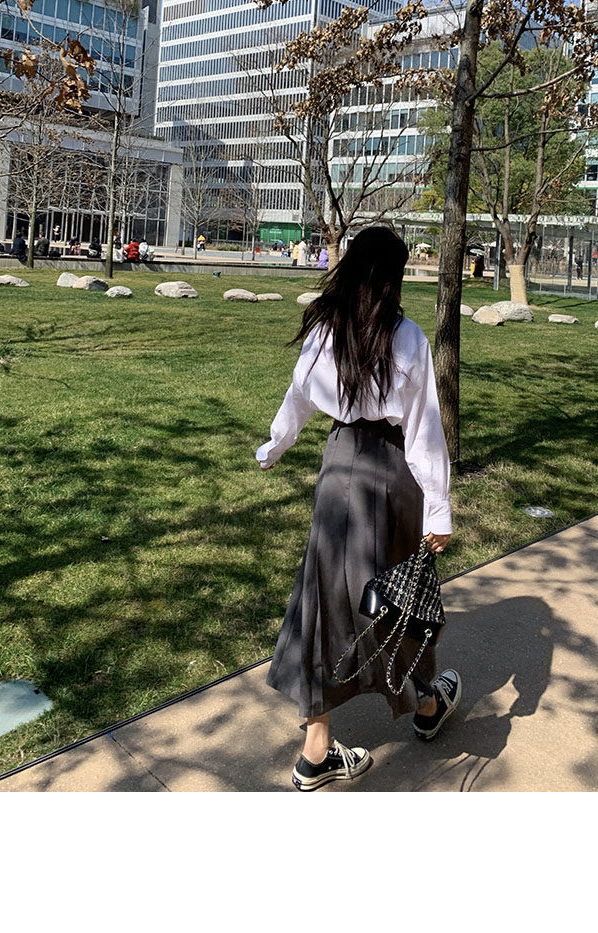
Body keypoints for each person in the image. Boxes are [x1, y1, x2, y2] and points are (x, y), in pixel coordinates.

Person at [257, 226, 461, 792]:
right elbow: (423, 430)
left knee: (325, 600)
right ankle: (426, 705)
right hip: (392, 474)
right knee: (398, 595)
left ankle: (316, 750)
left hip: (339, 466)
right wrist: (438, 509)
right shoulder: (408, 337)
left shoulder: (325, 328)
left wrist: (274, 447)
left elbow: (298, 396)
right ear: (393, 277)